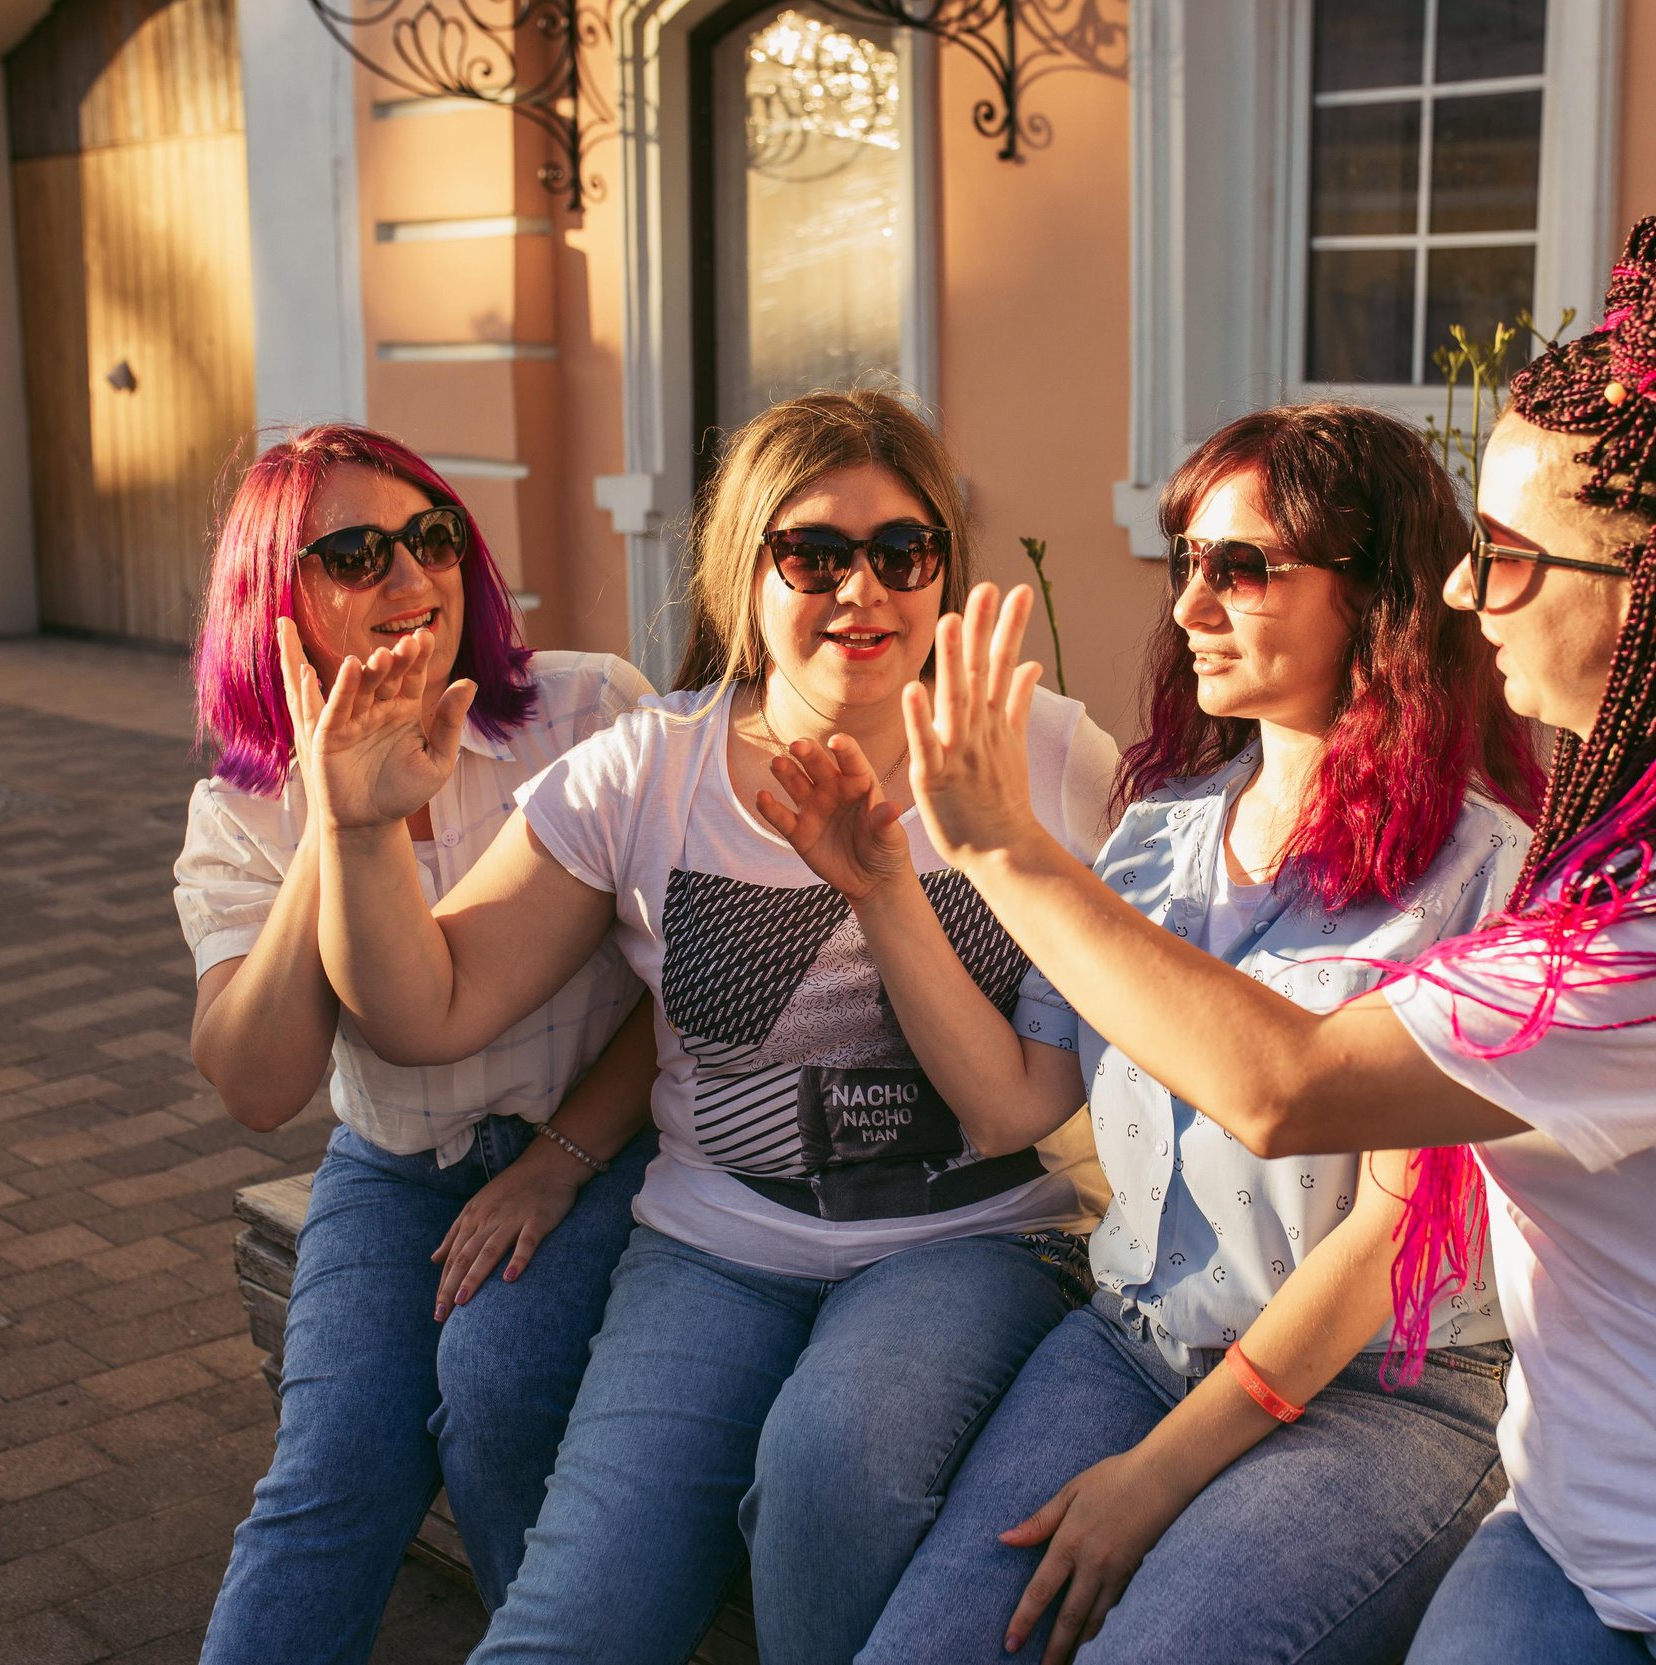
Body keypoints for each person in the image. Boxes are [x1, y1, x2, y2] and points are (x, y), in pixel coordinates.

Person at [880, 217, 1656, 1665]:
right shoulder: (1637, 847)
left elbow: (1288, 1085)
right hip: (1582, 1537)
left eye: (1502, 556)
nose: (1457, 589)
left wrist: (1003, 845)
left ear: (1654, 586)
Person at [293, 389, 1120, 1665]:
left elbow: (1021, 1111)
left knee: (829, 1465)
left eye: (904, 553)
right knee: (564, 1625)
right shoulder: (646, 772)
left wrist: (886, 885)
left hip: (965, 1244)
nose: (865, 592)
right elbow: (423, 1010)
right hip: (710, 1252)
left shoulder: (1050, 759)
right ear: (746, 574)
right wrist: (353, 830)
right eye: (815, 555)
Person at [756, 403, 1535, 1665]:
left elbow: (1394, 1242)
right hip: (1131, 1343)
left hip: (1378, 1402)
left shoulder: (1485, 878)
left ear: (1376, 592)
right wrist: (883, 889)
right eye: (1187, 561)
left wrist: (1154, 1478)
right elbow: (1018, 1104)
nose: (1188, 607)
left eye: (1241, 568)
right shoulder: (1160, 835)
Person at [175, 423, 660, 1665]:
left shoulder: (587, 708)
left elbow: (688, 989)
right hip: (396, 1168)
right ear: (275, 600)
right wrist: (337, 811)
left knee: (499, 1389)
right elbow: (258, 1082)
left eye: (432, 536)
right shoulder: (242, 806)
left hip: (600, 1142)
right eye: (356, 552)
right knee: (330, 1473)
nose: (412, 578)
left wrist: (557, 1157)